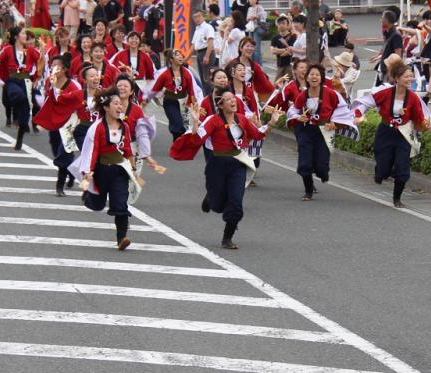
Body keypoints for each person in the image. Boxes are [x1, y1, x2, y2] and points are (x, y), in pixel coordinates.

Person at [170, 87, 283, 249]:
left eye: (233, 98)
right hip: (217, 164)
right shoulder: (213, 120)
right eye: (228, 99)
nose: (232, 101)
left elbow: (258, 135)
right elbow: (197, 138)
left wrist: (272, 122)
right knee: (218, 203)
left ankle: (228, 237)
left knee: (236, 202)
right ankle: (211, 196)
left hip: (238, 164)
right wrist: (195, 122)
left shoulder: (242, 119)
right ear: (220, 104)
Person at [352, 60, 431, 207]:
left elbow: (419, 117)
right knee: (383, 168)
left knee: (403, 170)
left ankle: (397, 198)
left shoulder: (413, 98)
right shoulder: (385, 93)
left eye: (411, 76)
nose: (410, 79)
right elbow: (365, 103)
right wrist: (358, 114)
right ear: (396, 78)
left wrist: (425, 125)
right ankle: (380, 173)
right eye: (406, 77)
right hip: (385, 132)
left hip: (403, 134)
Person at [69, 86, 137, 251]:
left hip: (120, 170)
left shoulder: (125, 127)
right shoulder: (97, 128)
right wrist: (88, 173)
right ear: (106, 107)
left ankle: (122, 238)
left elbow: (128, 149)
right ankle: (88, 196)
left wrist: (133, 169)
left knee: (120, 203)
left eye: (120, 104)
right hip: (100, 170)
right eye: (115, 104)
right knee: (97, 204)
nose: (120, 107)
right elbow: (93, 151)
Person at [286, 63, 357, 201]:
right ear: (307, 78)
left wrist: (334, 122)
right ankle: (308, 191)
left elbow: (342, 108)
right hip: (305, 130)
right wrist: (298, 117)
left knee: (321, 167)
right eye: (311, 74)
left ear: (321, 78)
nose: (314, 77)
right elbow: (293, 110)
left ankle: (323, 173)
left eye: (317, 75)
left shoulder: (331, 93)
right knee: (305, 162)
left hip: (324, 130)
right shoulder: (303, 95)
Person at [34, 53, 82, 196]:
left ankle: (59, 185)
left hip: (70, 123)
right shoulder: (49, 81)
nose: (54, 68)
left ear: (65, 69)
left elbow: (79, 104)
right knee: (56, 147)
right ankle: (70, 171)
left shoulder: (74, 85)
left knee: (65, 152)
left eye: (58, 66)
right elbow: (45, 99)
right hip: (54, 122)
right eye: (52, 66)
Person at [0, 26, 43, 150]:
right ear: (16, 36)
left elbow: (42, 60)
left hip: (26, 81)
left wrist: (37, 77)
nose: (25, 36)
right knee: (18, 95)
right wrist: (1, 79)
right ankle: (16, 111)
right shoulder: (8, 50)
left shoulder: (31, 51)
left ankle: (19, 140)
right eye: (22, 33)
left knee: (25, 112)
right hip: (12, 81)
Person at [144, 48, 204, 141]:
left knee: (184, 126)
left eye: (181, 55)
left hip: (184, 102)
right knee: (178, 124)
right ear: (171, 59)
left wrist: (195, 106)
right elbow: (155, 90)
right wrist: (144, 102)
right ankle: (178, 142)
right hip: (170, 102)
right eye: (177, 55)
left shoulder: (187, 73)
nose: (180, 56)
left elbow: (192, 91)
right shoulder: (164, 74)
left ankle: (178, 144)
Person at [371, 10, 404, 86]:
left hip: (389, 71)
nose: (381, 20)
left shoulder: (396, 35)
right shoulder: (388, 33)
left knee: (385, 92)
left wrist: (392, 73)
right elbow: (386, 48)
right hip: (383, 69)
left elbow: (398, 56)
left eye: (382, 18)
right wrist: (378, 55)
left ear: (387, 20)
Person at [191, 10, 215, 90]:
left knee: (207, 77)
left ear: (203, 17)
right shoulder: (197, 29)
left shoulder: (208, 27)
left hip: (207, 52)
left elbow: (210, 42)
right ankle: (205, 97)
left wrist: (207, 56)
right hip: (199, 53)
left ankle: (212, 96)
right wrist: (186, 59)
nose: (197, 19)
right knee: (202, 78)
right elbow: (193, 45)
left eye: (199, 16)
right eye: (195, 17)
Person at [270, 15, 296, 80]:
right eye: (279, 24)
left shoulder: (293, 37)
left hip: (290, 64)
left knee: (290, 83)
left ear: (288, 25)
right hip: (279, 65)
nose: (281, 25)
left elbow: (292, 51)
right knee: (277, 84)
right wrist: (286, 49)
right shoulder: (275, 38)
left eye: (283, 23)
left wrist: (278, 50)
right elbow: (273, 51)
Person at [245, 0, 267, 64]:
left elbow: (264, 17)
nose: (250, 0)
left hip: (257, 29)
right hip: (251, 29)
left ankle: (258, 65)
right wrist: (250, 18)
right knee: (251, 47)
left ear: (256, 0)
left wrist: (255, 17)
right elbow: (247, 18)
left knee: (256, 48)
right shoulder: (249, 8)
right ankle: (253, 63)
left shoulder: (259, 7)